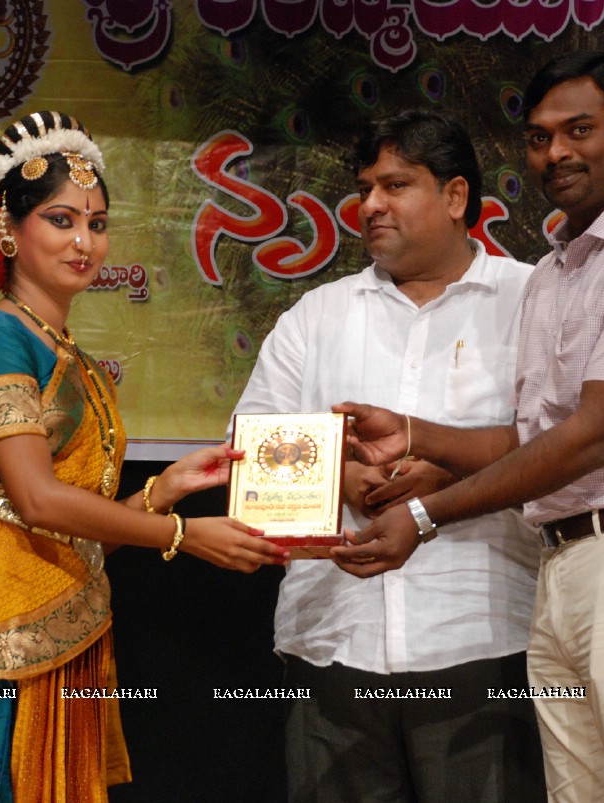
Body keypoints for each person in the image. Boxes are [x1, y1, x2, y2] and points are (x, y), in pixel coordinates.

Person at [333, 53, 604, 803]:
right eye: (537, 137)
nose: (554, 152)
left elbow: (595, 435)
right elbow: (538, 438)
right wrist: (414, 433)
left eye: (578, 130)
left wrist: (425, 514)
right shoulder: (555, 273)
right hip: (563, 567)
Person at [0, 110, 288, 803]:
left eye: (96, 222)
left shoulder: (76, 359)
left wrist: (165, 491)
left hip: (37, 628)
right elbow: (34, 500)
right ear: (9, 227)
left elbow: (58, 531)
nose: (84, 240)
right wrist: (182, 537)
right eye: (61, 220)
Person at [232, 109, 545, 802]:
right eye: (365, 187)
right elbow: (248, 452)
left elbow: (563, 444)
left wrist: (443, 466)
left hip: (481, 637)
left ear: (455, 196)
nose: (368, 204)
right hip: (333, 640)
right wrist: (343, 475)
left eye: (394, 185)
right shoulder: (315, 316)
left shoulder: (533, 300)